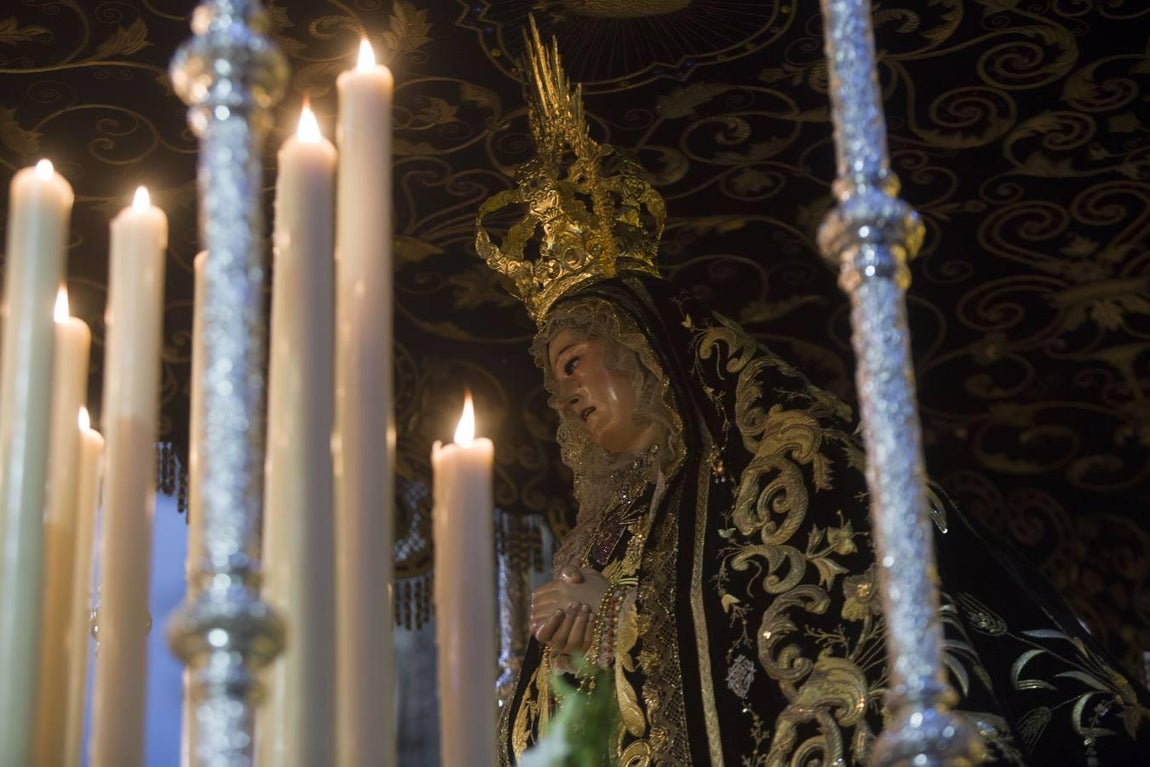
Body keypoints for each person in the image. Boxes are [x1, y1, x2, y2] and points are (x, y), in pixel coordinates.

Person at [478, 22, 1150, 767]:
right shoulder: (609, 526)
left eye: (574, 363)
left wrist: (613, 610)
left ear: (643, 349)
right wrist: (576, 649)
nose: (564, 396)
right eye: (554, 381)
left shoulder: (783, 465)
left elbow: (813, 614)